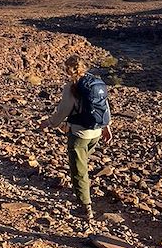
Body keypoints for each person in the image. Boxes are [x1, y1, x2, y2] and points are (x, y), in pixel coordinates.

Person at [39, 55, 112, 220]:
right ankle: (83, 194)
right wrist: (106, 127)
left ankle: (85, 207)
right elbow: (104, 105)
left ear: (68, 69)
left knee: (79, 170)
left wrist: (49, 123)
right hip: (96, 132)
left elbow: (63, 110)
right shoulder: (96, 82)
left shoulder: (72, 86)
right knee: (83, 163)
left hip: (80, 134)